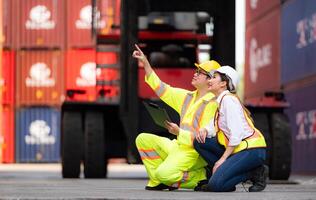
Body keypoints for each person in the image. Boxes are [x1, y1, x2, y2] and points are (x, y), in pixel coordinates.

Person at [133, 44, 220, 190]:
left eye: (200, 72)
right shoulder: (188, 97)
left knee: (165, 174)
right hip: (178, 146)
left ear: (210, 80)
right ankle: (158, 179)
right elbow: (161, 89)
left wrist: (179, 132)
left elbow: (205, 138)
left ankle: (201, 177)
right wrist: (146, 63)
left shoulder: (213, 104)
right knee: (142, 139)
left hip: (193, 152)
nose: (195, 73)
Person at [193, 66, 268, 192]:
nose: (209, 80)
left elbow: (236, 134)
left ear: (223, 83)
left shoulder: (228, 101)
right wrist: (205, 129)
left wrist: (222, 160)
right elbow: (216, 124)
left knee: (215, 186)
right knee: (200, 142)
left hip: (251, 150)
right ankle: (224, 177)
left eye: (214, 77)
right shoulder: (222, 101)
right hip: (239, 150)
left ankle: (254, 172)